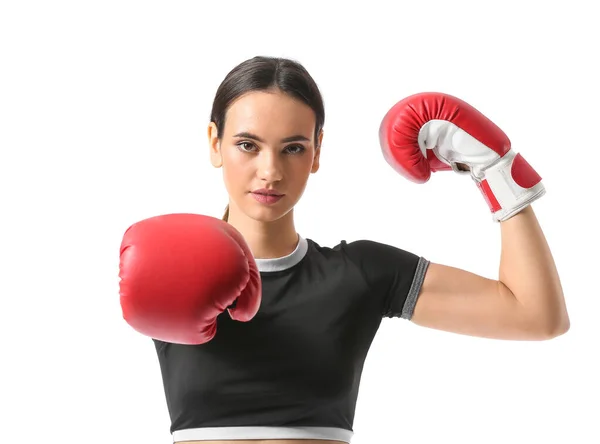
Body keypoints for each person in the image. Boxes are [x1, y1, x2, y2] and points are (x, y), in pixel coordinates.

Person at [118, 56, 570, 444]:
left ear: (316, 153)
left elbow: (536, 316)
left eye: (293, 148)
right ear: (215, 143)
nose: (270, 171)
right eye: (247, 145)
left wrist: (496, 171)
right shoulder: (167, 260)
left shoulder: (360, 273)